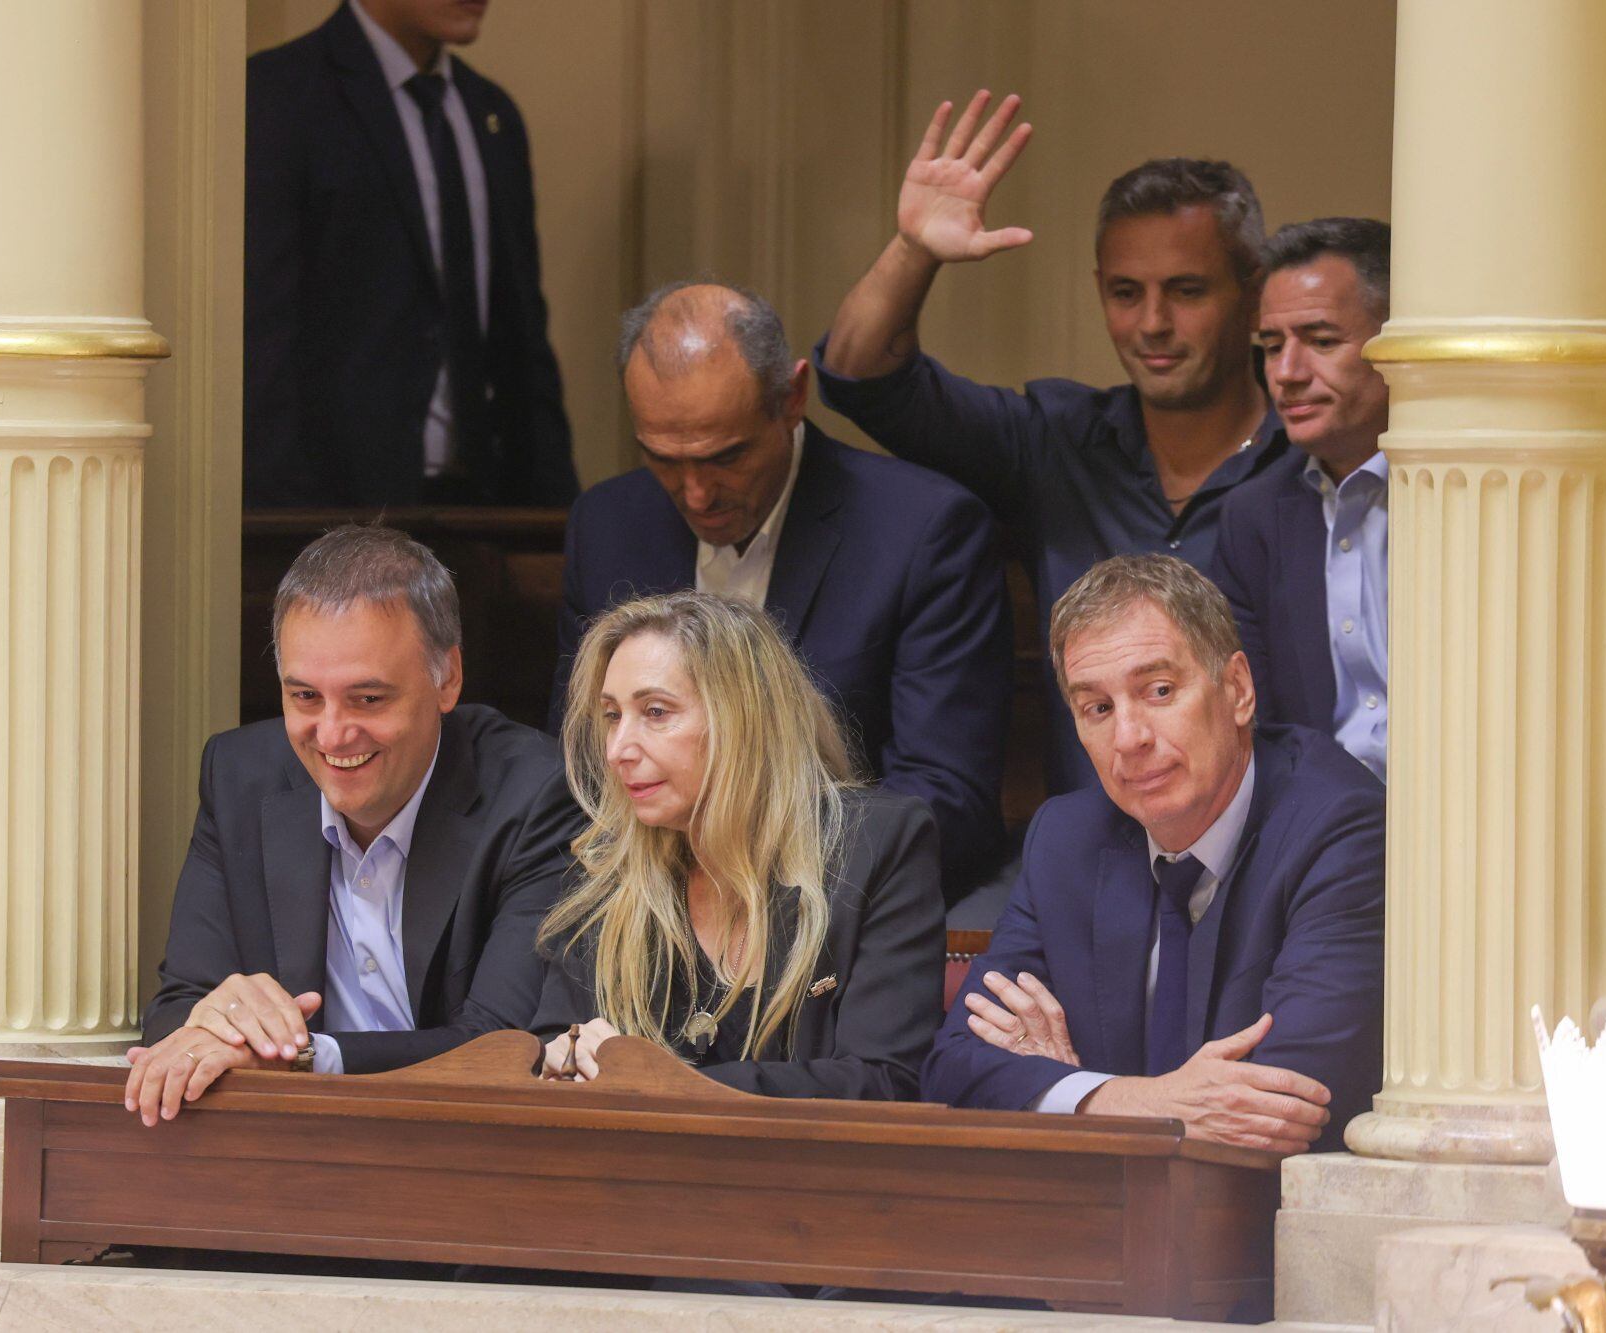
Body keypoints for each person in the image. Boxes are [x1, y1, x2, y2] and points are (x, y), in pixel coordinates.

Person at [817, 92, 1289, 794]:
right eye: (1126, 293)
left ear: (1253, 295)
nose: (1152, 322)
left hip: (1270, 846)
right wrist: (914, 249)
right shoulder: (1056, 439)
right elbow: (860, 377)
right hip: (1096, 848)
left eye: (1187, 291)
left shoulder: (1313, 454)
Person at [553, 281, 1013, 896]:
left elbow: (943, 800)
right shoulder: (607, 526)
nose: (696, 494)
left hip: (841, 905)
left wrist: (750, 886)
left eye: (726, 456)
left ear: (792, 398)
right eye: (663, 459)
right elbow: (579, 760)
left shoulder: (922, 531)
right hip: (643, 904)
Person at [923, 555, 1384, 1153]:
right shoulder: (1068, 839)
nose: (1130, 738)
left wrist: (1066, 1091)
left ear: (1238, 690)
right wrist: (1127, 1101)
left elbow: (1280, 1103)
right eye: (1099, 708)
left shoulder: (1340, 828)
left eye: (1159, 691)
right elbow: (955, 1067)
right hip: (1102, 1224)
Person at [125, 524, 583, 1125]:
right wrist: (224, 1020)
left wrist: (302, 1057)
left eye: (369, 699)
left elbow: (506, 1043)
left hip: (467, 1147)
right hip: (290, 1150)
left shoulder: (537, 792)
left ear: (447, 679)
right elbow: (180, 1007)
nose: (334, 735)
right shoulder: (240, 777)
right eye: (306, 697)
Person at [533, 591, 945, 1100]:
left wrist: (658, 1082)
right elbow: (552, 1043)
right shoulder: (608, 867)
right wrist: (561, 1059)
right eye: (612, 716)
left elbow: (883, 1081)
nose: (618, 750)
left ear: (745, 720)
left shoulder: (876, 845)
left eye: (656, 712)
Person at [243, 0, 576, 507]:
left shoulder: (492, 113)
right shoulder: (279, 95)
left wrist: (557, 521)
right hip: (331, 517)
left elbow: (523, 333)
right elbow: (263, 331)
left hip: (481, 511)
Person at [1211, 219, 1392, 780]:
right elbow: (1251, 732)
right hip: (1321, 827)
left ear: (1397, 345)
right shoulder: (1254, 517)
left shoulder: (1464, 491)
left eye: (1320, 341)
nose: (1285, 374)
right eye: (1271, 346)